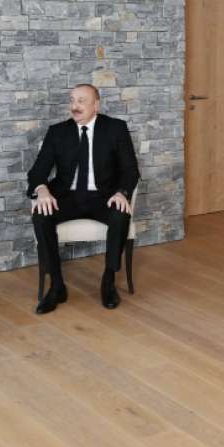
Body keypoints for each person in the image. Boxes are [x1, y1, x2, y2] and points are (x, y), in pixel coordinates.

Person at [28, 83, 140, 313]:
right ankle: (56, 285)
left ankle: (108, 280)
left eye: (81, 101)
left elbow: (130, 170)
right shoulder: (57, 132)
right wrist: (42, 190)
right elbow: (37, 171)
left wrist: (122, 193)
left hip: (103, 197)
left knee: (120, 213)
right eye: (72, 101)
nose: (75, 106)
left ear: (96, 105)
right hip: (66, 197)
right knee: (40, 215)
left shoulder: (116, 128)